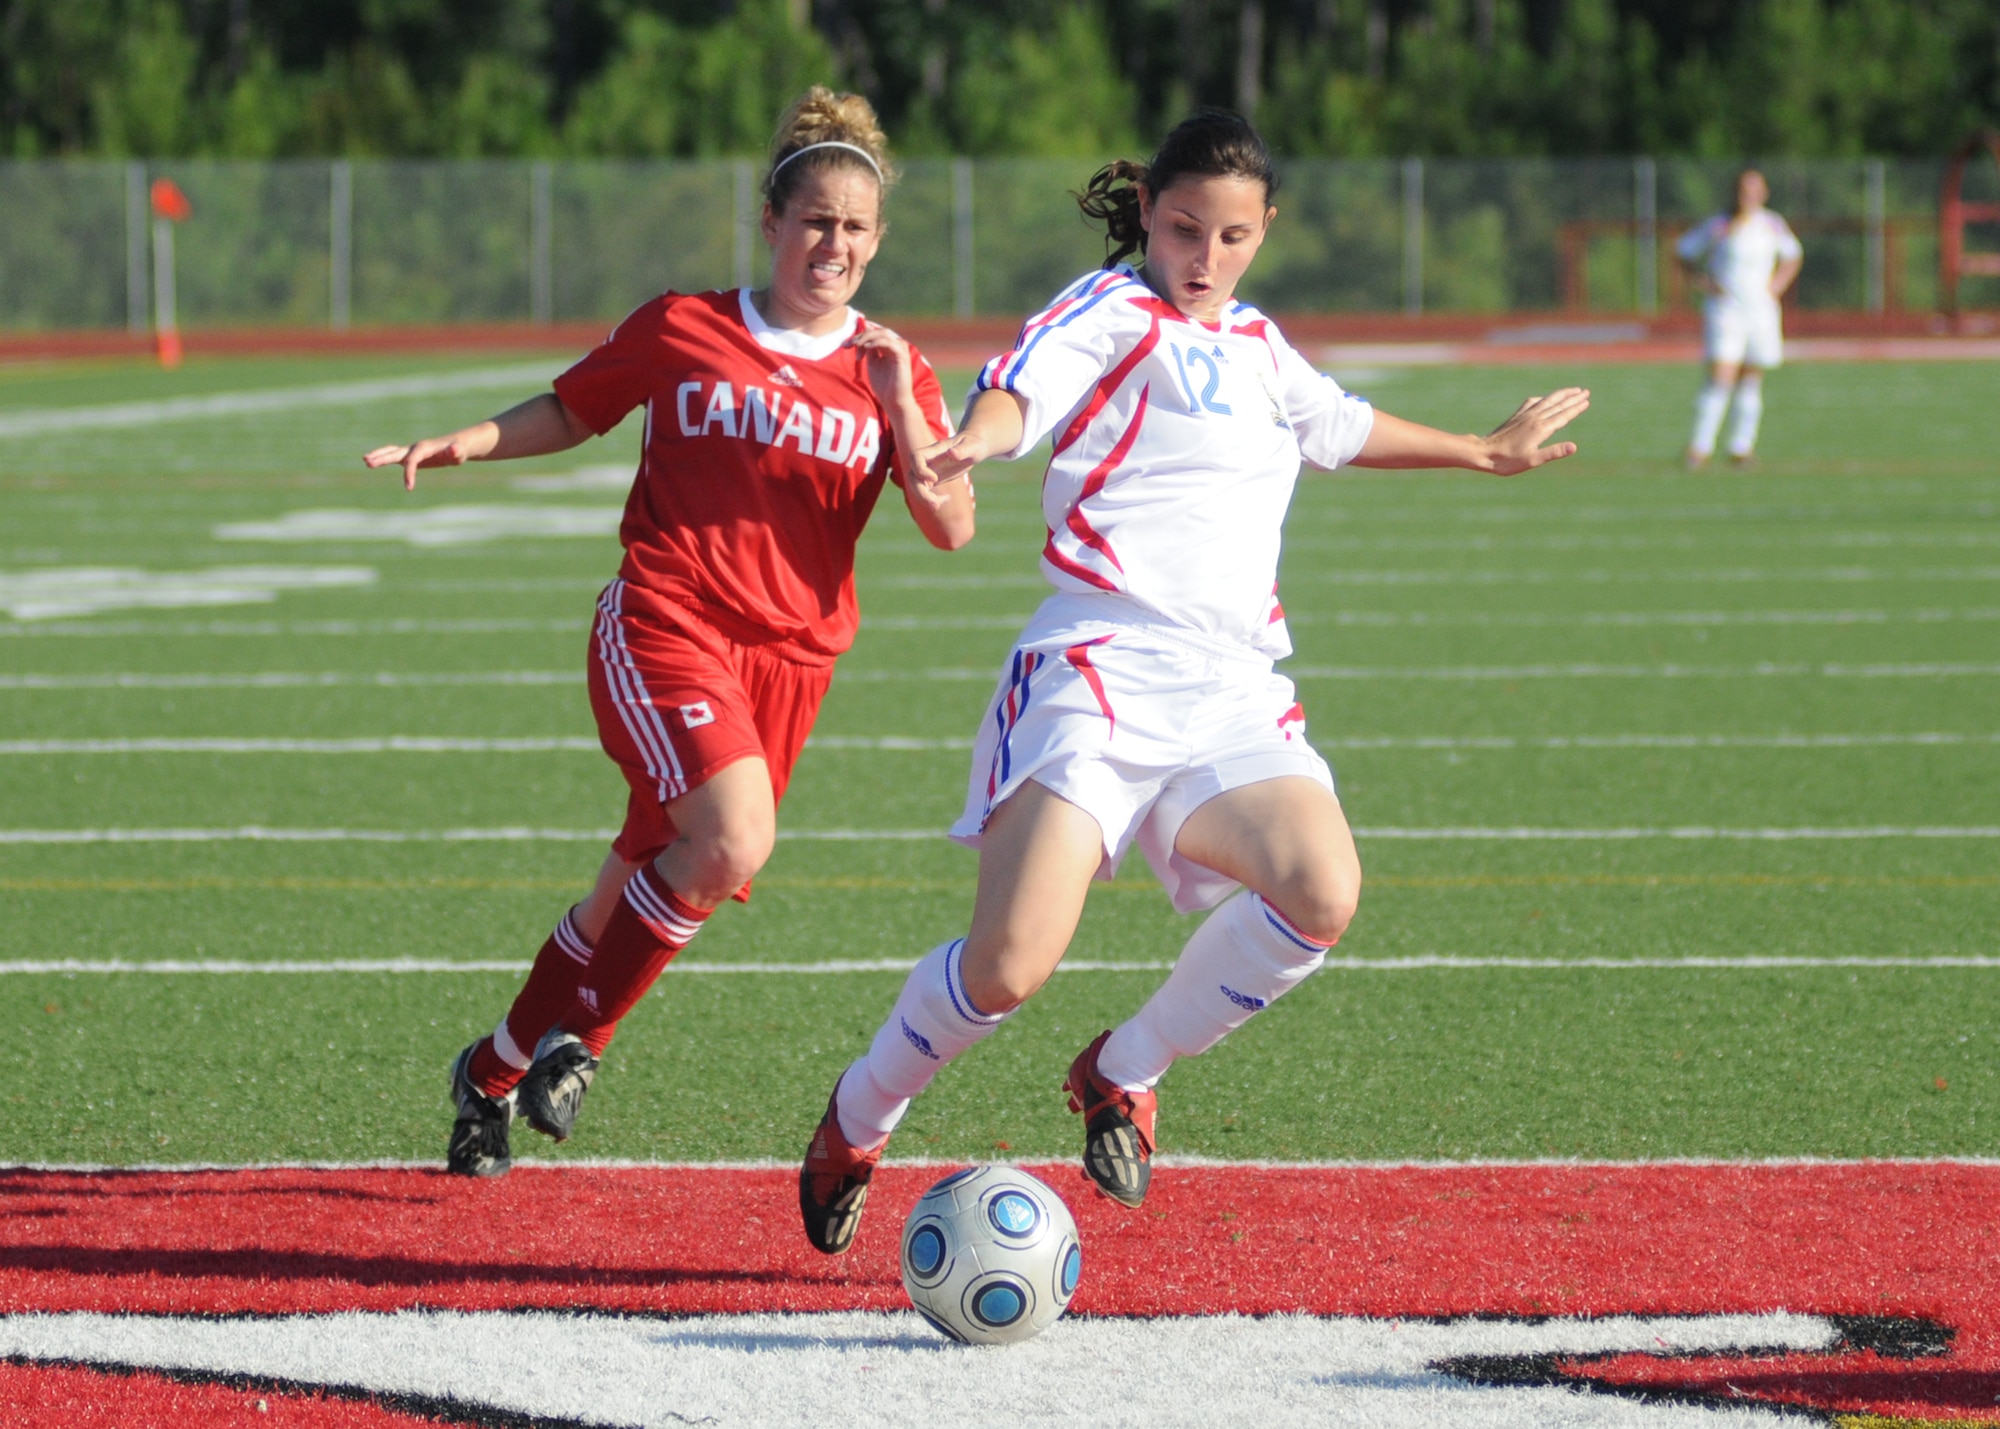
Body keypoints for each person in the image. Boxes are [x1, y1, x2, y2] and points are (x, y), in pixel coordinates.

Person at [795, 109, 1589, 1254]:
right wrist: (978, 435)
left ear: (1262, 232)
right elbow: (1023, 386)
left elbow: (1344, 425)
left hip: (1229, 688)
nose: (1201, 257)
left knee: (1320, 889)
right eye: (1180, 229)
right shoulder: (1109, 310)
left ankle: (1122, 1069)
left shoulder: (1262, 348)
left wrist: (1483, 450)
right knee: (1008, 965)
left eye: (1228, 236)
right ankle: (857, 1117)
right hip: (1098, 668)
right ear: (1147, 216)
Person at [363, 87, 974, 1178]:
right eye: (814, 220)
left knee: (631, 886)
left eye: (853, 227)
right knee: (733, 837)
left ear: (876, 243)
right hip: (664, 620)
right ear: (772, 223)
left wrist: (903, 406)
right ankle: (577, 1044)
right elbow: (571, 408)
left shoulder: (894, 369)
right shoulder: (686, 325)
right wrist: (464, 441)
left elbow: (951, 524)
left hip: (789, 667)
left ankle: (491, 1072)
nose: (831, 242)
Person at [1676, 169, 1803, 469]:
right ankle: (1699, 447)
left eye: (1755, 190)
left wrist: (1776, 286)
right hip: (1726, 311)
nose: (1748, 196)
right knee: (1721, 375)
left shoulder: (1772, 224)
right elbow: (1683, 252)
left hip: (1760, 312)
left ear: (1764, 193)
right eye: (1743, 190)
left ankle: (1741, 447)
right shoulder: (1719, 225)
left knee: (1751, 378)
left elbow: (1793, 255)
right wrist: (1703, 282)